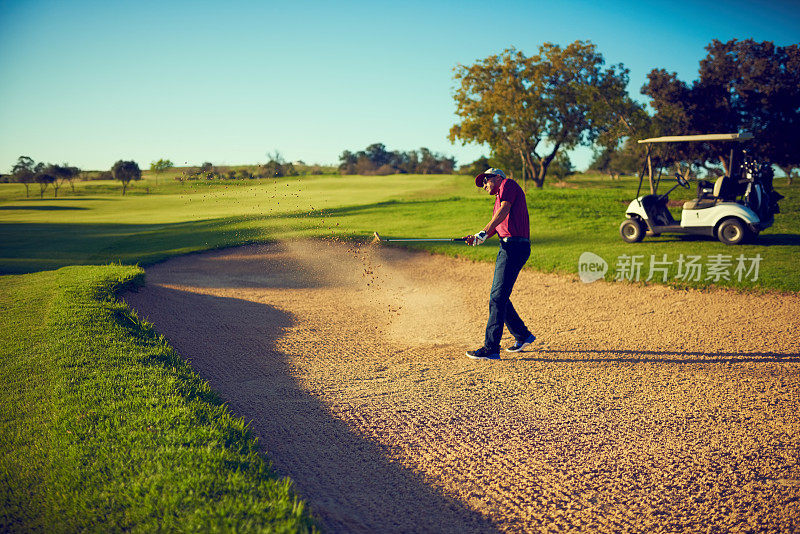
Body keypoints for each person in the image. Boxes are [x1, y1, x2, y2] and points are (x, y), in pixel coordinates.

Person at [464, 168, 536, 361]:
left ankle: (491, 348)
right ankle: (522, 335)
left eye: (486, 181)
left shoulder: (508, 185)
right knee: (500, 297)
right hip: (507, 247)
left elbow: (504, 212)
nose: (484, 185)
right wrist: (479, 237)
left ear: (498, 177)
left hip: (514, 247)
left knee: (497, 298)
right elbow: (497, 225)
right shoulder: (498, 200)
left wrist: (483, 231)